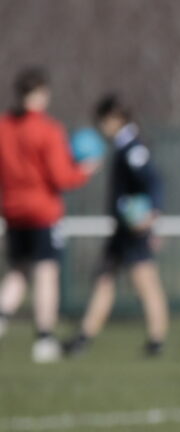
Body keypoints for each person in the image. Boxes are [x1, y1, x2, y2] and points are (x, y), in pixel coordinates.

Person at [0, 67, 100, 362]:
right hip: (43, 211)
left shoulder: (3, 127)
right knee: (46, 273)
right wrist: (84, 171)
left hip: (13, 210)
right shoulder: (48, 130)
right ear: (41, 94)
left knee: (18, 272)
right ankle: (44, 339)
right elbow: (61, 177)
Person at [65, 95, 169, 358]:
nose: (102, 128)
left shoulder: (133, 146)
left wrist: (150, 216)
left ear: (114, 118)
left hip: (134, 229)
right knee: (104, 280)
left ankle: (156, 340)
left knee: (145, 283)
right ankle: (83, 338)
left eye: (102, 122)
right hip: (122, 230)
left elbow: (153, 181)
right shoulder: (124, 146)